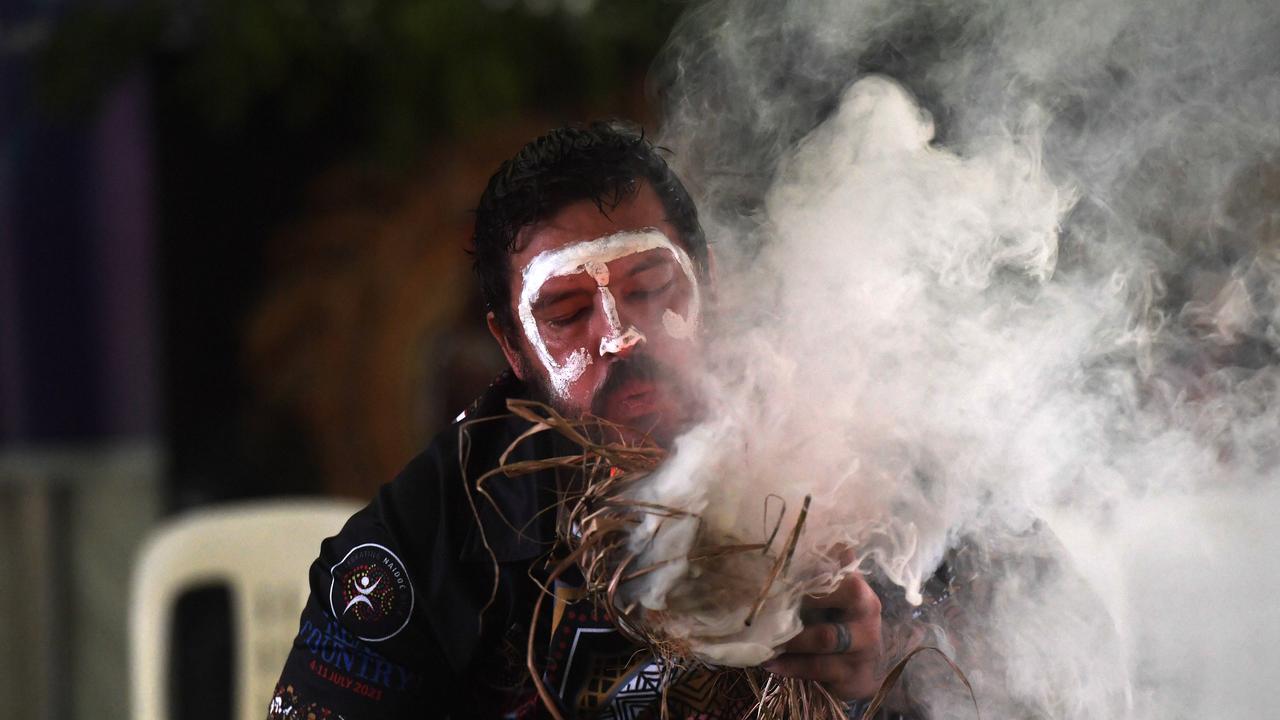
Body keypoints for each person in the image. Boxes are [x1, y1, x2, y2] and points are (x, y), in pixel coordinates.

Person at [266, 122, 891, 720]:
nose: (619, 338)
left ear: (711, 286)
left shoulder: (832, 463)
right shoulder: (431, 536)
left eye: (649, 289)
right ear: (511, 348)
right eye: (565, 313)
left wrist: (873, 682)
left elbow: (965, 668)